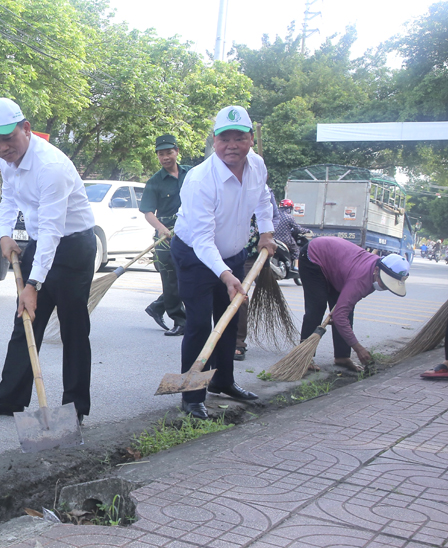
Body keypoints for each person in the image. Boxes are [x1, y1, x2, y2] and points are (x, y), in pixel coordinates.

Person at [0, 98, 97, 424]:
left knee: (73, 328)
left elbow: (54, 229)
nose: (2, 147)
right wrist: (5, 234)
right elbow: (8, 198)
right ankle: (9, 398)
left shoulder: (50, 167)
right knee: (25, 322)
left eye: (8, 137)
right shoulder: (5, 160)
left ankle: (74, 408)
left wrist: (33, 285)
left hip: (73, 246)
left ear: (26, 129)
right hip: (43, 243)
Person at [170, 105, 276, 420]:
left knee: (228, 319)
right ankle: (192, 395)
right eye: (224, 138)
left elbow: (264, 199)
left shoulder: (257, 166)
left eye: (239, 138)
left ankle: (223, 381)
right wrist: (227, 275)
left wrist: (267, 232)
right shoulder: (200, 179)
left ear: (251, 139)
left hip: (232, 252)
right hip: (194, 255)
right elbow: (202, 240)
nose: (232, 145)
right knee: (201, 324)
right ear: (214, 141)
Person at [299, 236, 408, 372]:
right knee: (317, 307)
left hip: (337, 268)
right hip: (314, 256)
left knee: (346, 311)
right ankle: (304, 356)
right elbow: (339, 317)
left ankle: (342, 357)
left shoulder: (374, 275)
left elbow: (342, 311)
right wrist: (358, 348)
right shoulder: (361, 279)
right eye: (384, 282)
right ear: (376, 271)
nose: (384, 287)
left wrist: (339, 311)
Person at [140, 134, 188, 336]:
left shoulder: (192, 174)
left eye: (169, 152)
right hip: (165, 236)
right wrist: (161, 228)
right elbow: (147, 211)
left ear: (177, 151)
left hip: (190, 232)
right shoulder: (154, 182)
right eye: (161, 154)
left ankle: (158, 306)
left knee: (187, 278)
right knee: (170, 278)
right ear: (157, 157)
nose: (166, 157)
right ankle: (179, 320)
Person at [274, 198, 309, 272]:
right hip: (285, 240)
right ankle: (296, 267)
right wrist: (306, 230)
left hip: (273, 239)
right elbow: (297, 229)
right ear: (289, 208)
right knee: (296, 251)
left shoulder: (274, 215)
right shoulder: (289, 217)